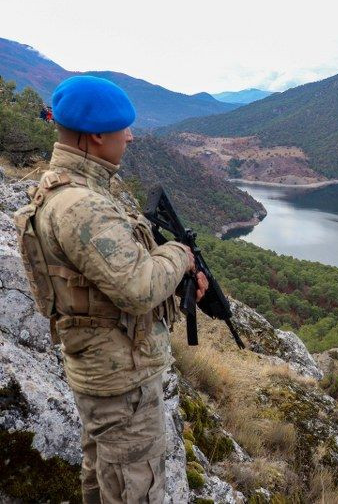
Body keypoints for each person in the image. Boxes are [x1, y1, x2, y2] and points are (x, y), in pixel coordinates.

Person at [14, 75, 208, 503]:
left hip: (105, 372)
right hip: (123, 382)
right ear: (97, 136)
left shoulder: (65, 191)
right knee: (135, 489)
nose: (131, 136)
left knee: (103, 481)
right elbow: (138, 288)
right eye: (124, 127)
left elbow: (106, 278)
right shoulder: (83, 206)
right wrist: (180, 255)